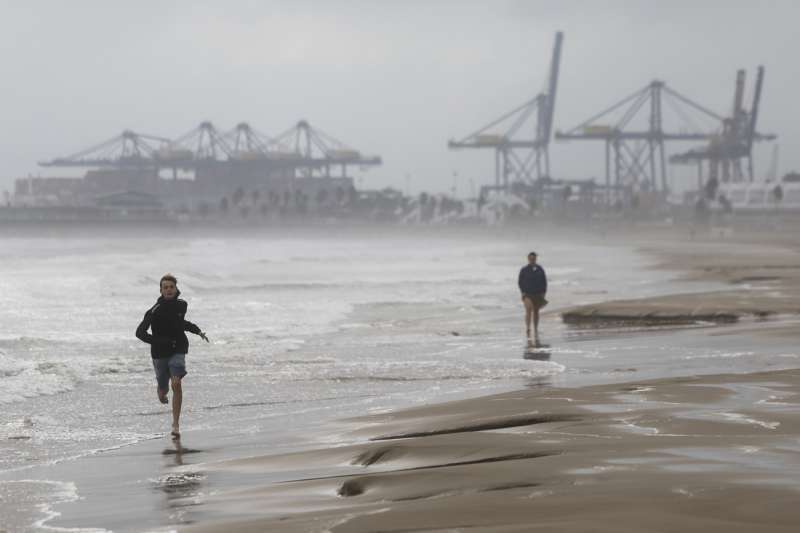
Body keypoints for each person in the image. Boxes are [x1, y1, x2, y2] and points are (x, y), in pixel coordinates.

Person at [136, 273, 208, 439]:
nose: (168, 290)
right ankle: (161, 390)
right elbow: (139, 333)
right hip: (160, 354)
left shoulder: (182, 305)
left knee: (176, 383)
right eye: (165, 287)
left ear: (176, 289)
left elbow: (180, 323)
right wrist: (159, 341)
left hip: (179, 348)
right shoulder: (154, 311)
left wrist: (197, 331)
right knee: (164, 389)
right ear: (161, 291)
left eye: (171, 287)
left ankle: (175, 424)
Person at [518, 252, 548, 345]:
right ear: (528, 259)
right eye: (530, 258)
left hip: (538, 293)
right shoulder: (524, 269)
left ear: (536, 259)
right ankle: (528, 327)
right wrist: (522, 292)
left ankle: (535, 328)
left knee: (536, 311)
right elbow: (520, 281)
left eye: (533, 258)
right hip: (527, 293)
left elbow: (544, 281)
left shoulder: (540, 269)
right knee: (528, 309)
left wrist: (544, 292)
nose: (532, 260)